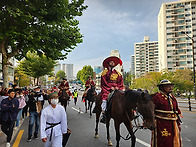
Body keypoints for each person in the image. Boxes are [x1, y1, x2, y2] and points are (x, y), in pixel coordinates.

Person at [151, 79, 182, 147]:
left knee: (174, 141)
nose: (171, 87)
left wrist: (178, 123)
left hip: (173, 123)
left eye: (171, 86)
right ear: (162, 87)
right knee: (164, 142)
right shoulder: (156, 97)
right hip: (161, 123)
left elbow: (176, 110)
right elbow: (150, 110)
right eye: (168, 86)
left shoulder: (172, 97)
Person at [100, 56, 123, 124]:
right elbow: (104, 82)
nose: (112, 63)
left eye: (113, 62)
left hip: (116, 88)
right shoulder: (104, 73)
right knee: (105, 98)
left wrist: (118, 87)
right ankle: (103, 113)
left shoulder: (118, 73)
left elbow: (120, 82)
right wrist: (110, 88)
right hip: (107, 89)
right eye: (111, 62)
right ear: (108, 63)